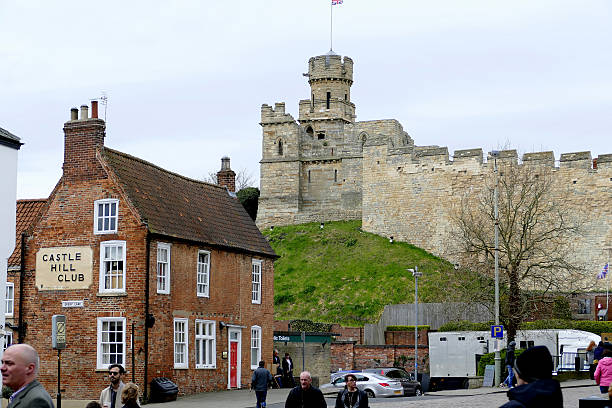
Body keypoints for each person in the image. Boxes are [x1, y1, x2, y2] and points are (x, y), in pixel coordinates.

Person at [1, 343, 54, 408]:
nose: (2, 368)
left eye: (9, 363)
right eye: (2, 363)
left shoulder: (36, 401)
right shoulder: (22, 395)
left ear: (30, 368)